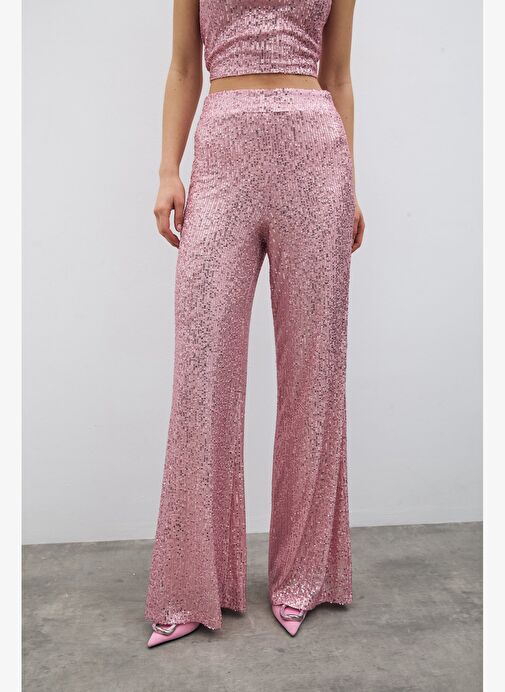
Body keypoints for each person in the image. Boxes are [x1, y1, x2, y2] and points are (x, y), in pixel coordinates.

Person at [145, 0, 365, 647]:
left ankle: (304, 577)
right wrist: (168, 169)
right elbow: (184, 66)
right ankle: (191, 585)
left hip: (316, 157)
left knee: (314, 374)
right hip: (223, 158)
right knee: (202, 371)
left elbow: (338, 73)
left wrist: (349, 183)